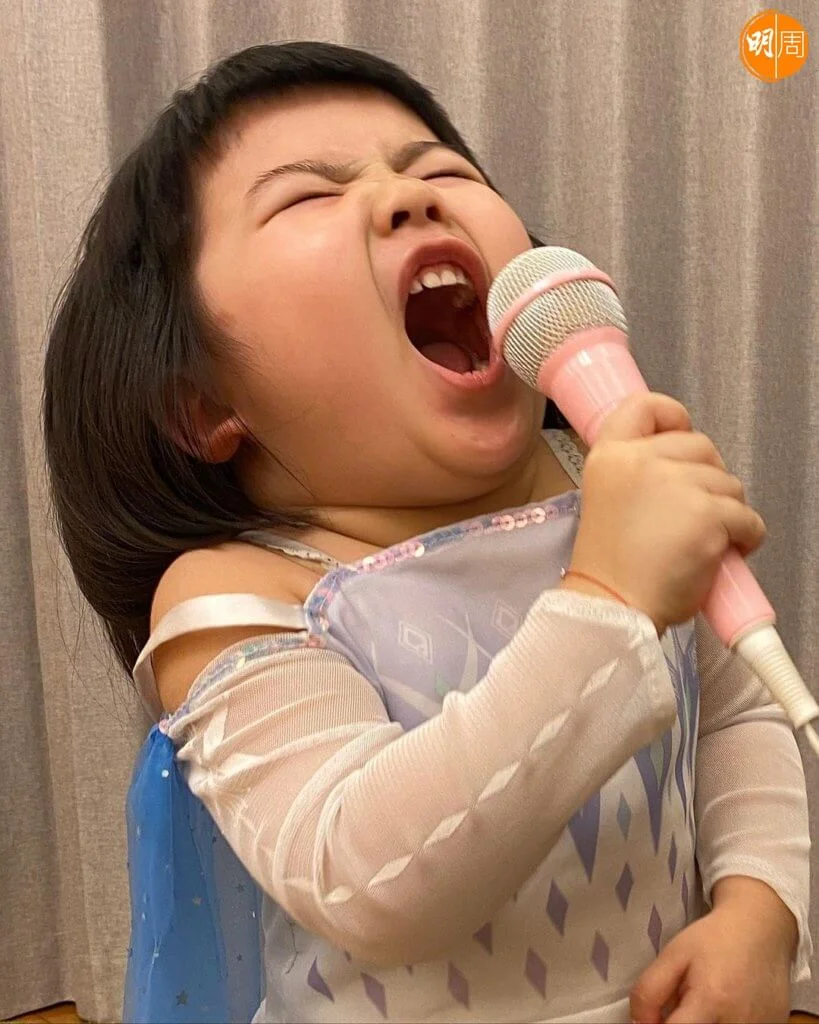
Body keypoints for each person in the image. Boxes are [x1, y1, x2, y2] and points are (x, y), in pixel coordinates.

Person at [42, 40, 810, 1024]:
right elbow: (365, 880)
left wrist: (759, 910)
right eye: (310, 196)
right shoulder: (233, 598)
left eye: (442, 171)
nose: (409, 198)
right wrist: (610, 600)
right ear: (201, 402)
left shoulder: (604, 487)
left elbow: (736, 715)